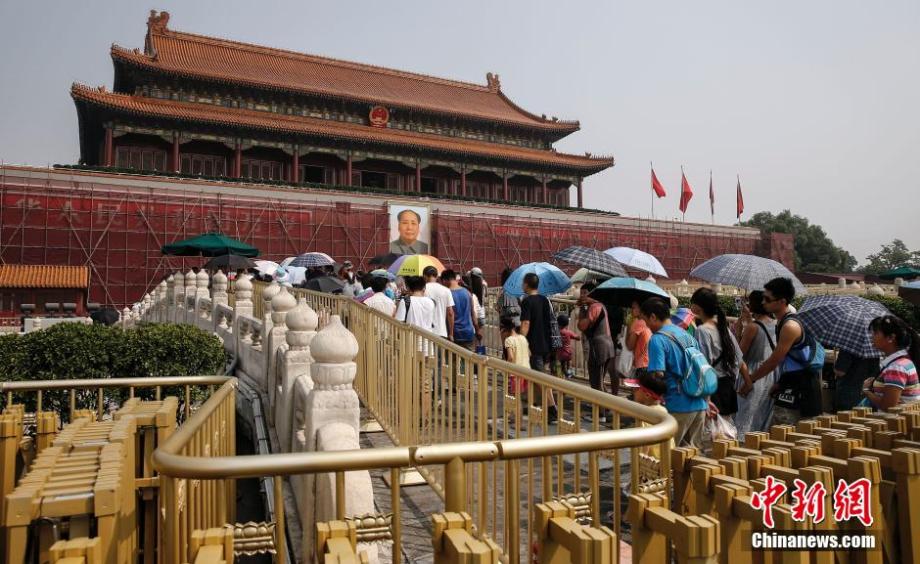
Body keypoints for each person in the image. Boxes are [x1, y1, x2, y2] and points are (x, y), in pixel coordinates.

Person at [643, 297, 716, 448]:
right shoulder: (687, 335)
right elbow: (700, 368)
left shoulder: (657, 339)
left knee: (669, 454)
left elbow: (658, 375)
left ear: (653, 317)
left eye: (645, 320)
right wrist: (707, 401)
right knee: (692, 455)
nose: (646, 326)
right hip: (699, 404)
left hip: (677, 404)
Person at [749, 277, 823, 425]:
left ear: (782, 301)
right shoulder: (782, 322)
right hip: (792, 382)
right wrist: (780, 383)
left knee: (787, 432)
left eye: (767, 299)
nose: (763, 302)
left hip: (802, 387)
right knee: (782, 431)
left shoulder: (790, 326)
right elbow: (787, 361)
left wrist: (750, 380)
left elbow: (774, 361)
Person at [689, 288, 748, 419]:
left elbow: (703, 366)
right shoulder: (724, 328)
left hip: (713, 391)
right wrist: (746, 382)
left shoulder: (702, 330)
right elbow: (739, 359)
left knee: (712, 430)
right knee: (725, 428)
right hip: (727, 387)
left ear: (697, 307)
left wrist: (706, 399)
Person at [733, 291, 778, 438]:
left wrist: (738, 332)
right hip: (770, 374)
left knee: (746, 416)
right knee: (762, 416)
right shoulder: (776, 324)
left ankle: (743, 445)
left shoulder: (752, 327)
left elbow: (739, 355)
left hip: (752, 373)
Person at [519, 272, 558, 421]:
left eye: (523, 282)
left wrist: (521, 340)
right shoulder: (544, 300)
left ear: (526, 284)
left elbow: (526, 323)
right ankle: (539, 406)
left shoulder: (527, 301)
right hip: (546, 343)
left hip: (533, 344)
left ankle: (552, 409)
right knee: (537, 377)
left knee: (540, 378)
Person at [863, 315, 920, 409]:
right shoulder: (900, 362)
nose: (872, 337)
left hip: (894, 418)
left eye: (876, 333)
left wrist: (866, 391)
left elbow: (888, 407)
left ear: (890, 338)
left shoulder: (897, 367)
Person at [576, 282, 618, 397]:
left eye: (585, 293)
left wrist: (582, 309)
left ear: (592, 294)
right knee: (598, 380)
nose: (582, 296)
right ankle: (605, 404)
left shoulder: (594, 307)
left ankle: (601, 408)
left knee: (596, 381)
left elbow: (582, 326)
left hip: (599, 347)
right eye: (581, 293)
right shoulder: (599, 305)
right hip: (605, 346)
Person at [632, 370, 675, 459]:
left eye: (636, 389)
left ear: (647, 395)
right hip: (667, 459)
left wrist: (639, 462)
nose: (633, 391)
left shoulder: (644, 416)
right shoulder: (663, 410)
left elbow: (644, 446)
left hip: (653, 462)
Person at [443, 270, 479, 351]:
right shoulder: (467, 293)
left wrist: (450, 334)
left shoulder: (447, 294)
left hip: (454, 334)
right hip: (468, 332)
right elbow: (473, 313)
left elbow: (450, 313)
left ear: (445, 280)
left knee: (452, 358)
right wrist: (477, 330)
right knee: (468, 358)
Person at [626, 299, 653, 387]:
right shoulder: (649, 322)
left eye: (633, 308)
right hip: (650, 363)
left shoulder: (638, 323)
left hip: (641, 365)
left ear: (641, 309)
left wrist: (629, 330)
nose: (631, 310)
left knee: (637, 393)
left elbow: (629, 346)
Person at [423, 266, 454, 340]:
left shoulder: (422, 290)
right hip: (441, 331)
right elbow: (450, 313)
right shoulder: (446, 290)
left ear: (424, 276)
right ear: (437, 276)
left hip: (425, 331)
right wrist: (451, 334)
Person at [556, 314, 580, 378]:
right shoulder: (568, 332)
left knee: (562, 365)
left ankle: (564, 374)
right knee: (568, 363)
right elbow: (578, 338)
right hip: (568, 353)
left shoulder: (556, 332)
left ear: (557, 323)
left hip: (560, 354)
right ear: (567, 324)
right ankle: (568, 373)